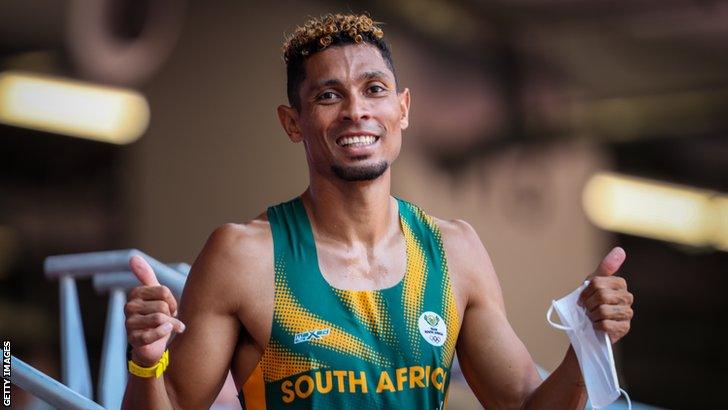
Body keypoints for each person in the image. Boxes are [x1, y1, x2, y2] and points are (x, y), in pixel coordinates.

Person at [122, 13, 634, 409]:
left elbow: (523, 404)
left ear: (402, 109)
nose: (356, 110)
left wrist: (586, 345)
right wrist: (147, 364)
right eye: (329, 95)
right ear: (292, 122)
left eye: (374, 89)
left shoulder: (454, 251)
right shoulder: (243, 256)